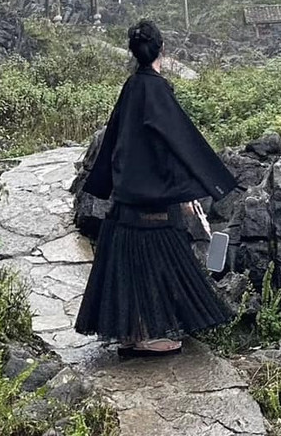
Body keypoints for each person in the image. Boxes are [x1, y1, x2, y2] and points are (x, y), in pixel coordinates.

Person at [73, 19, 237, 357]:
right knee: (154, 259)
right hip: (152, 195)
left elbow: (115, 137)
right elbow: (179, 142)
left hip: (127, 192)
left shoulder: (131, 86)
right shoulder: (158, 89)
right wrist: (197, 186)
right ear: (163, 49)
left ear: (134, 53)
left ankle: (131, 334)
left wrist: (106, 183)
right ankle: (147, 336)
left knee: (128, 263)